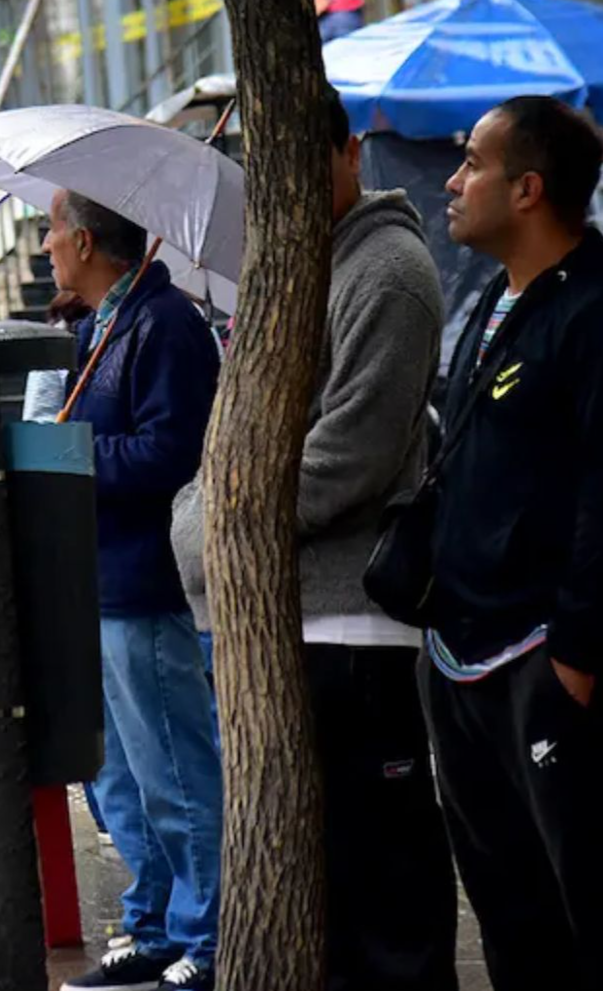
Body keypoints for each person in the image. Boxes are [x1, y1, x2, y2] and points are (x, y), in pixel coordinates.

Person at [420, 96, 603, 988]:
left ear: (530, 188)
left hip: (554, 658)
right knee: (512, 908)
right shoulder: (485, 300)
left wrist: (576, 654)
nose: (452, 180)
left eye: (472, 161)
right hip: (462, 654)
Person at [171, 103, 456, 991]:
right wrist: (211, 515)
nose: (284, 183)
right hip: (284, 622)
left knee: (384, 892)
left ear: (350, 153)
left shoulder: (389, 272)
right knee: (319, 892)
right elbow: (227, 445)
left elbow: (349, 457)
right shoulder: (294, 274)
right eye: (270, 165)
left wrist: (217, 520)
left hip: (356, 633)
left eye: (305, 156)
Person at [49, 192, 222, 991]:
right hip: (98, 579)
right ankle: (152, 920)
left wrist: (72, 450)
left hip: (146, 581)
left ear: (84, 240)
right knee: (118, 774)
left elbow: (170, 454)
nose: (45, 247)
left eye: (51, 231)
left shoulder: (164, 324)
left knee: (173, 768)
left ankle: (206, 932)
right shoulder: (96, 328)